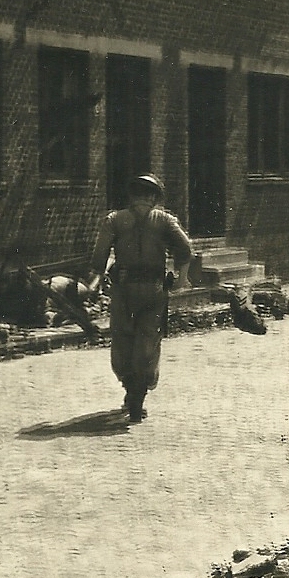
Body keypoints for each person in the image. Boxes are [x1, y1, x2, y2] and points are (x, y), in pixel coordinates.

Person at [83, 174, 192, 423]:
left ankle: (131, 390)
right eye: (144, 195)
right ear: (154, 198)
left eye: (145, 195)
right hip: (153, 290)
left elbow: (99, 258)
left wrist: (96, 283)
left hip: (124, 289)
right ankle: (138, 393)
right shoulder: (164, 221)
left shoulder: (114, 220)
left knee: (123, 338)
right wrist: (181, 278)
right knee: (148, 340)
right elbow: (185, 249)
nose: (144, 200)